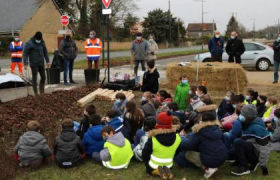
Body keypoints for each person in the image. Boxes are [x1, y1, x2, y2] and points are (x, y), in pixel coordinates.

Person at [180, 111, 228, 179]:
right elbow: (225, 142)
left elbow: (189, 146)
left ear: (202, 121)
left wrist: (182, 137)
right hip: (223, 156)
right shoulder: (218, 129)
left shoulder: (200, 131)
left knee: (187, 154)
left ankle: (208, 168)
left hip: (211, 160)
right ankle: (213, 165)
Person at [231, 105, 270, 176]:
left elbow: (265, 148)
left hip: (256, 152)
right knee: (235, 145)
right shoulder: (246, 122)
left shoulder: (257, 128)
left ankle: (244, 167)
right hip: (250, 145)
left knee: (238, 141)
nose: (240, 116)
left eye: (242, 114)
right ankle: (239, 160)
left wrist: (263, 166)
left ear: (248, 116)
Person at [142, 111, 181, 179]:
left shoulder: (153, 138)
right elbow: (177, 151)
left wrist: (147, 162)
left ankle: (157, 171)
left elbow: (145, 153)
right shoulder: (178, 137)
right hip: (169, 165)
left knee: (149, 165)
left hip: (152, 166)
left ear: (158, 123)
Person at [23, 31, 50, 95]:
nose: (39, 40)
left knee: (43, 77)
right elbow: (25, 53)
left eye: (40, 39)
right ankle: (36, 93)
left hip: (41, 63)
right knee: (34, 78)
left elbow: (45, 51)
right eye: (38, 39)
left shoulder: (42, 42)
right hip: (34, 64)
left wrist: (47, 60)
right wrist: (25, 63)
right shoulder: (30, 43)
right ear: (35, 38)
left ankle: (42, 91)